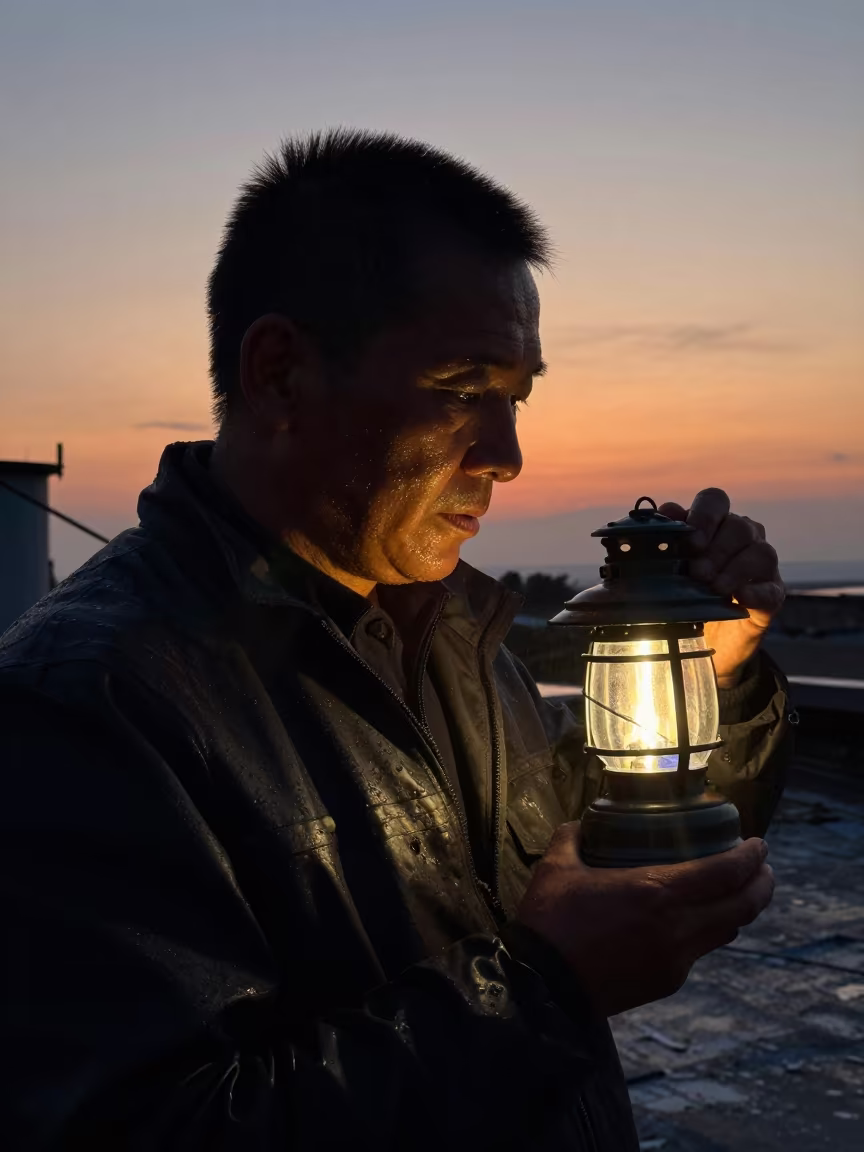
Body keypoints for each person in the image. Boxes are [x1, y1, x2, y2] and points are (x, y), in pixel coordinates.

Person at [0, 129, 789, 1151]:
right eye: (464, 390)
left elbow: (586, 852)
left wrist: (714, 676)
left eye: (517, 398)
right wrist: (545, 991)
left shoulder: (454, 631)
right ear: (280, 373)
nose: (506, 455)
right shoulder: (84, 703)